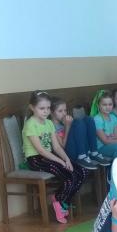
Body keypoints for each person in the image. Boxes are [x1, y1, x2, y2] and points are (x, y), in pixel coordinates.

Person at [22, 91, 87, 224]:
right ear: (32, 107)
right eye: (42, 108)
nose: (46, 111)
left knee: (82, 172)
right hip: (36, 159)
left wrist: (66, 159)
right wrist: (60, 161)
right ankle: (59, 201)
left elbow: (57, 147)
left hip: (49, 157)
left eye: (47, 108)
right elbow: (40, 150)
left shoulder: (49, 123)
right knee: (69, 177)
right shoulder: (30, 124)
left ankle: (62, 200)